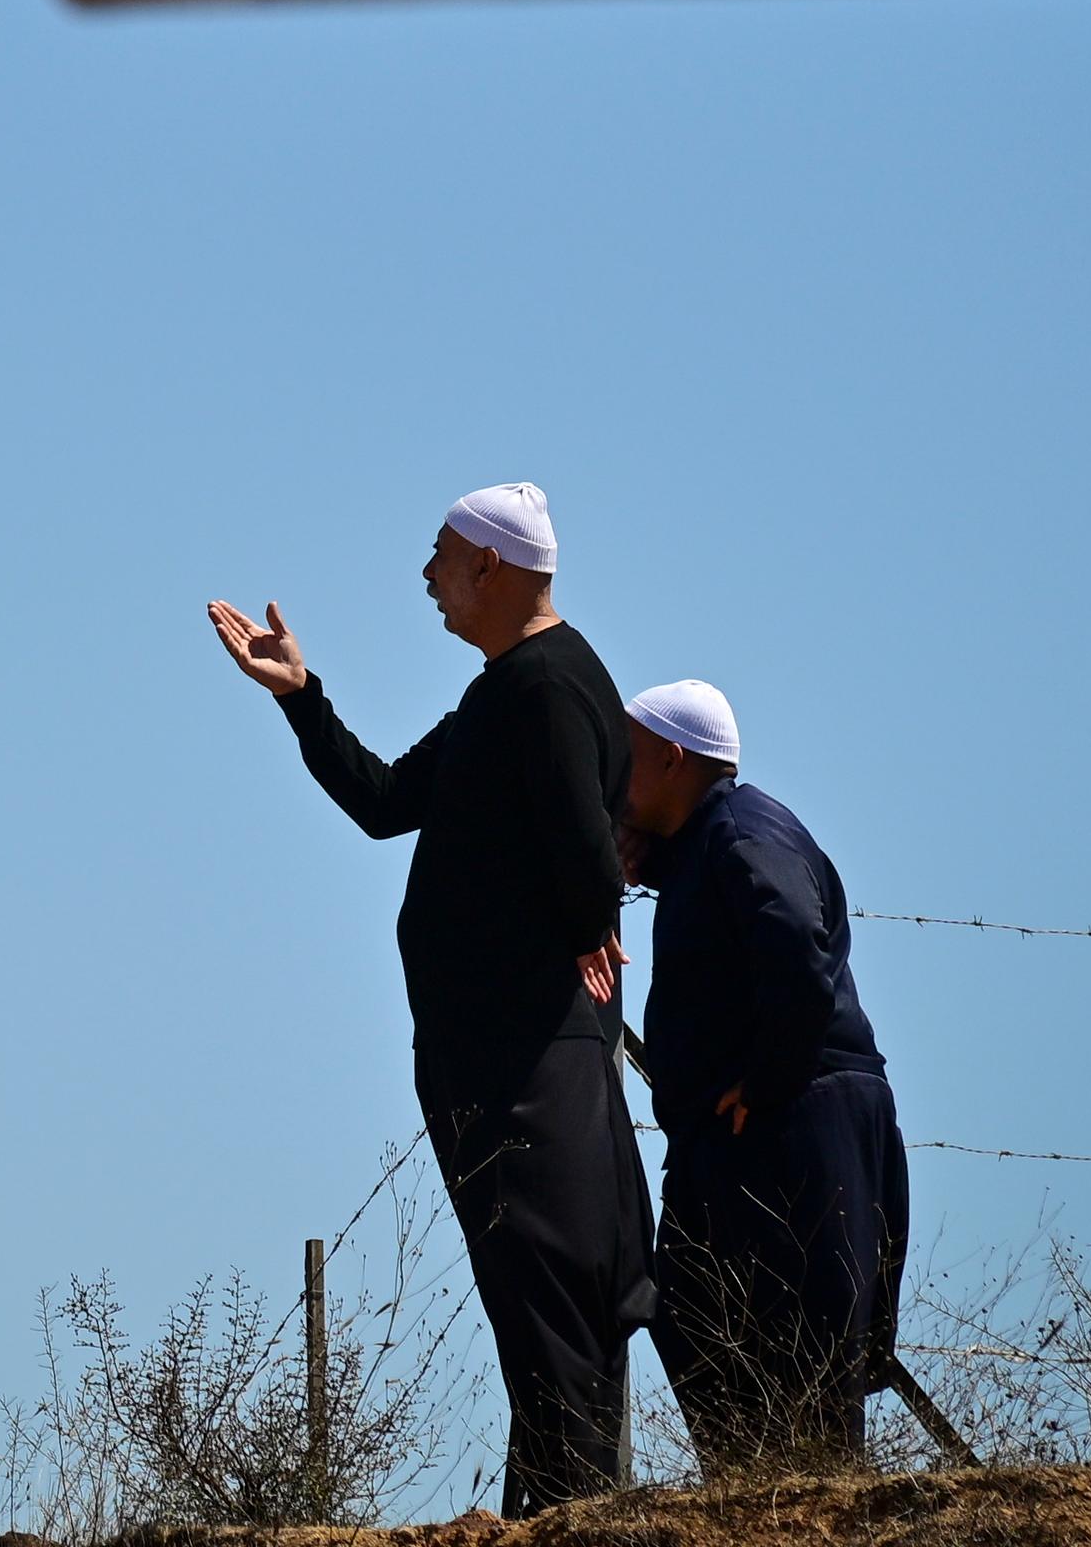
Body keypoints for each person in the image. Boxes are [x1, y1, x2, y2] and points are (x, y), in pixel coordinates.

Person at [209, 484, 653, 1514]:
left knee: (553, 1309)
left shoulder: (545, 688)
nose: (427, 575)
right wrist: (299, 693)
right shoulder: (508, 689)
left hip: (525, 1056)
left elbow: (592, 852)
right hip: (499, 1049)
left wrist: (588, 922)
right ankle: (547, 1516)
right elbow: (382, 802)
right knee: (533, 1314)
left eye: (442, 555)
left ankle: (568, 1522)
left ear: (492, 567)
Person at [617, 678, 908, 1476]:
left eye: (627, 757)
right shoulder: (715, 837)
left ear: (673, 758)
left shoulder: (744, 836)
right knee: (693, 1315)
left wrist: (771, 1081)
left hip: (793, 1128)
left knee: (802, 1370)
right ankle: (750, 1504)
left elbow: (794, 955)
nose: (614, 772)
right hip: (759, 1131)